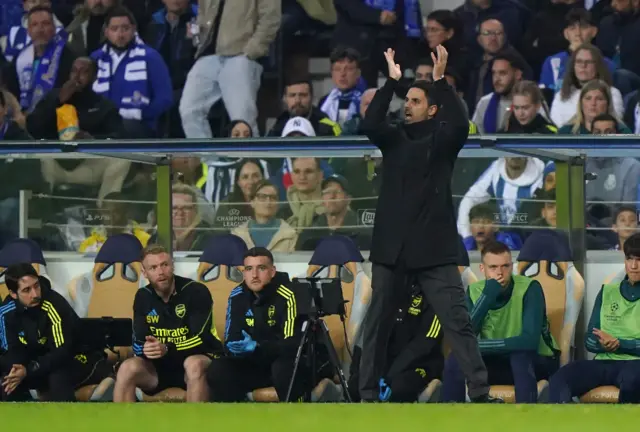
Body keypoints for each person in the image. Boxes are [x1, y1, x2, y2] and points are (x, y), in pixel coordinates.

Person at [358, 45, 494, 403]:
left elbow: (462, 125)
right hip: (392, 248)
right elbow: (369, 123)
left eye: (415, 100)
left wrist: (440, 81)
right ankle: (367, 394)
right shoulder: (393, 138)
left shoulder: (443, 141)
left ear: (432, 109)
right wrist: (391, 82)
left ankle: (479, 392)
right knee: (377, 325)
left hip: (434, 249)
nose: (407, 105)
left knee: (457, 321)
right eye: (407, 100)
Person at [441, 241, 560, 403]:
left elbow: (528, 341)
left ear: (512, 267)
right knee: (457, 357)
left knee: (520, 356)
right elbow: (466, 337)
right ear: (482, 269)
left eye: (505, 266)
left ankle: (526, 416)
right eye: (493, 267)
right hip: (494, 362)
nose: (500, 273)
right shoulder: (475, 291)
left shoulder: (530, 288)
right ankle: (450, 418)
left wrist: (478, 346)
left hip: (535, 361)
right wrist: (488, 295)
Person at [113, 244, 223, 402]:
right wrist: (146, 348)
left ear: (172, 266)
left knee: (194, 364)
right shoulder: (143, 296)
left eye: (164, 265)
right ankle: (121, 425)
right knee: (127, 368)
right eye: (153, 267)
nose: (160, 272)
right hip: (159, 369)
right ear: (144, 272)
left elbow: (200, 337)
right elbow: (138, 340)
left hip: (195, 362)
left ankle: (197, 424)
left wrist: (166, 348)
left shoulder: (196, 291)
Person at [207, 247, 318, 402]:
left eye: (261, 268)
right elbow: (232, 335)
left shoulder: (289, 294)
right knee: (218, 369)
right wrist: (235, 347)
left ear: (272, 272)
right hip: (254, 364)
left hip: (285, 362)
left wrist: (259, 346)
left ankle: (295, 418)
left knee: (283, 369)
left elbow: (293, 345)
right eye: (249, 269)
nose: (254, 275)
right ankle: (235, 417)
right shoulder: (237, 295)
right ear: (243, 273)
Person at [0, 263, 113, 401]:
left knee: (56, 376)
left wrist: (29, 370)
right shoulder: (6, 312)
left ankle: (68, 416)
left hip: (79, 357)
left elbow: (61, 352)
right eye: (26, 290)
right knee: (8, 380)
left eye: (36, 286)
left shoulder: (53, 305)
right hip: (37, 364)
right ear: (13, 294)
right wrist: (18, 371)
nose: (35, 294)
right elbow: (11, 350)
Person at [549, 232, 640, 403]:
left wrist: (620, 344)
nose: (634, 266)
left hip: (636, 364)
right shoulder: (607, 292)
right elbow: (589, 341)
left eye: (639, 260)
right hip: (604, 362)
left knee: (632, 383)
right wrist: (604, 344)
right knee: (561, 378)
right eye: (629, 259)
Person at [349, 276, 444, 402]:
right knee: (356, 386)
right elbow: (371, 332)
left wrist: (390, 376)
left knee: (398, 388)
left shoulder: (435, 296)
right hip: (388, 363)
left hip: (420, 364)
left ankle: (431, 390)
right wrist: (358, 370)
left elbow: (423, 345)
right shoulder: (391, 292)